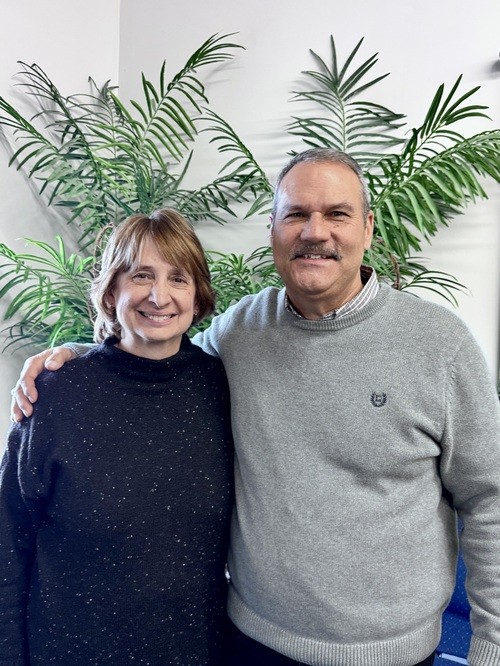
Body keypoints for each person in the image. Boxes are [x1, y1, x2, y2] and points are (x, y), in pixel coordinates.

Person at [10, 149, 500, 666]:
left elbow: (490, 499)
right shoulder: (243, 331)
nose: (315, 231)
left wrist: (491, 647)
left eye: (337, 213)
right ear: (272, 231)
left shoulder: (440, 346)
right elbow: (159, 356)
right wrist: (79, 362)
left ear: (368, 228)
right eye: (296, 214)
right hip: (248, 643)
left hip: (389, 655)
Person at [1, 209, 234, 665]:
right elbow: (9, 541)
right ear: (111, 292)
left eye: (178, 278)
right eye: (141, 275)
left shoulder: (222, 389)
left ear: (198, 296)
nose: (159, 296)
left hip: (196, 653)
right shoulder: (54, 394)